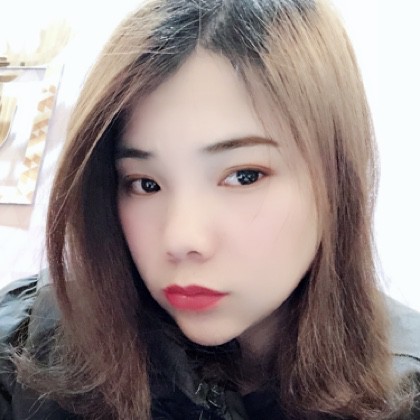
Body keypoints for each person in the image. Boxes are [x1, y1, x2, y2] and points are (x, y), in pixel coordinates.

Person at [1, 0, 420, 418]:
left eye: (243, 176)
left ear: (336, 179)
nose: (181, 238)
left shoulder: (406, 390)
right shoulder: (26, 347)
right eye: (146, 184)